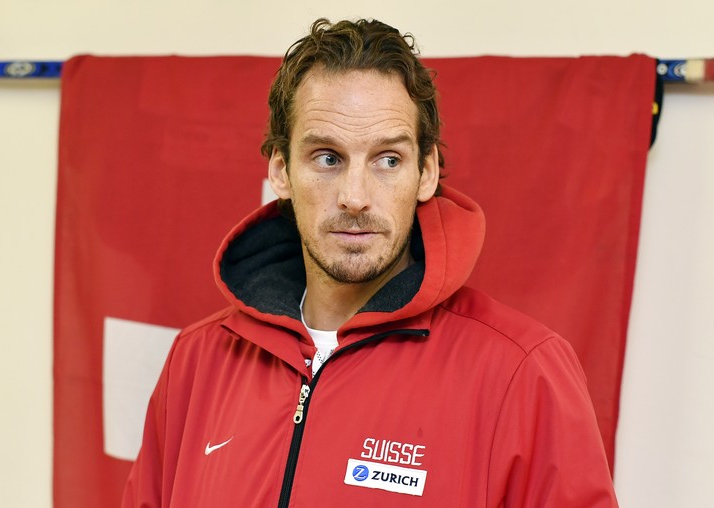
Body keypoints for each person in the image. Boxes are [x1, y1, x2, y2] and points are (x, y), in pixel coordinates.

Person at [122, 18, 618, 507]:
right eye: (327, 158)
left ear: (426, 173)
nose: (355, 197)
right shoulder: (198, 360)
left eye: (387, 160)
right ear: (281, 170)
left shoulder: (522, 371)